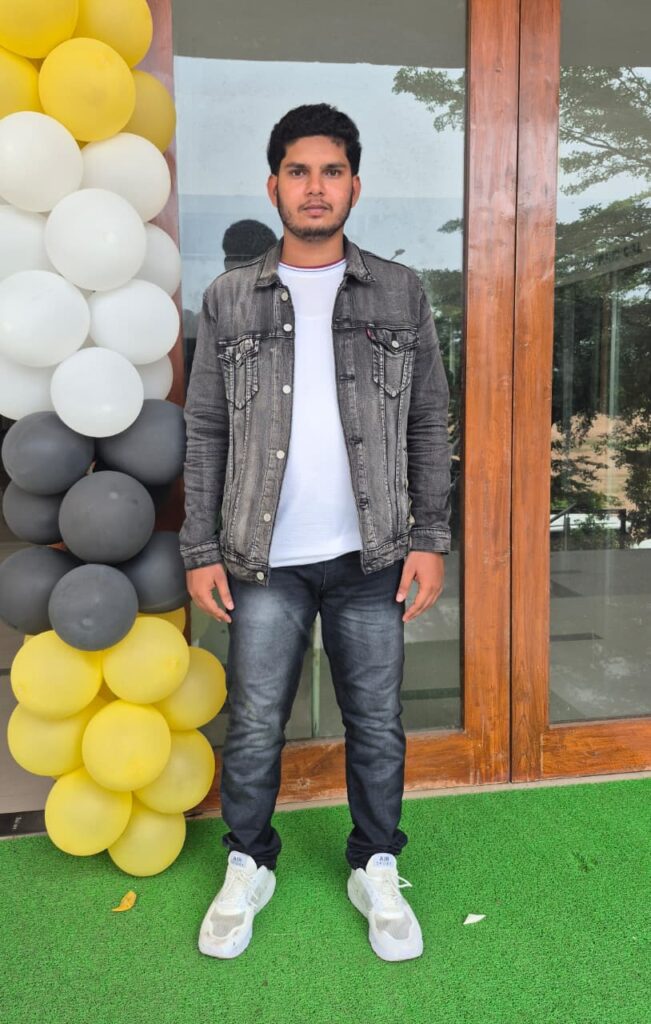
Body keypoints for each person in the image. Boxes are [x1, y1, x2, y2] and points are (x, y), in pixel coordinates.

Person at [180, 103, 451, 962]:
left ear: (354, 187)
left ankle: (375, 862)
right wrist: (198, 549)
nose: (314, 187)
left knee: (376, 720)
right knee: (256, 721)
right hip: (261, 559)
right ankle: (247, 862)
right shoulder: (229, 297)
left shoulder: (399, 292)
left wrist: (430, 537)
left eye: (331, 171)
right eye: (298, 171)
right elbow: (205, 429)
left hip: (373, 555)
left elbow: (428, 420)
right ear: (274, 186)